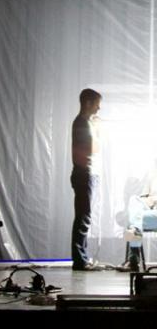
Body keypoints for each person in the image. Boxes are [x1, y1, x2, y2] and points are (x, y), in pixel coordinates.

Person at [70, 88, 103, 271]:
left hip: (85, 173)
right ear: (88, 103)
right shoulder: (82, 123)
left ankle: (82, 258)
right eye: (97, 104)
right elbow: (93, 149)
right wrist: (98, 132)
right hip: (84, 174)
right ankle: (80, 260)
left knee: (83, 216)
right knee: (83, 217)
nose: (98, 109)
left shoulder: (83, 122)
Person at [117, 160, 157, 272]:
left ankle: (133, 261)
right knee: (134, 201)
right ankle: (136, 229)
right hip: (150, 214)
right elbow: (143, 197)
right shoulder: (152, 173)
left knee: (133, 220)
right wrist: (148, 201)